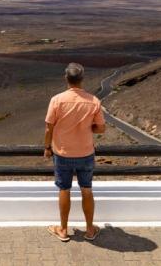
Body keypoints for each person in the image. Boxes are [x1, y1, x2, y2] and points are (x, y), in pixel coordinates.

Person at [44, 62, 106, 242]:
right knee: (87, 190)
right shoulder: (94, 101)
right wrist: (88, 128)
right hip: (85, 153)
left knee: (64, 189)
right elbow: (101, 128)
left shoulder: (57, 100)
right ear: (82, 79)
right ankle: (89, 230)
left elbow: (49, 129)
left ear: (66, 78)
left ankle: (63, 229)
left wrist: (48, 148)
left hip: (62, 153)